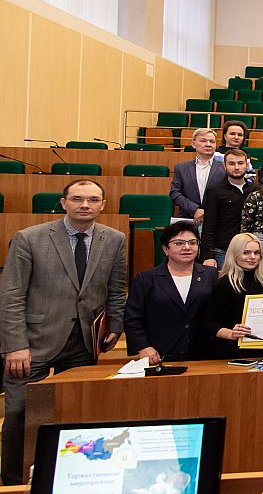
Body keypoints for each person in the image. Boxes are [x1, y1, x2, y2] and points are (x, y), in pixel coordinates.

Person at [0, 179, 127, 485]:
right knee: (19, 414)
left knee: (76, 413)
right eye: (78, 199)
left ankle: (68, 478)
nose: (85, 205)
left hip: (84, 341)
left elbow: (117, 289)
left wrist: (115, 325)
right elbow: (11, 294)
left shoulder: (115, 239)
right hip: (32, 343)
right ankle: (14, 482)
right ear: (64, 203)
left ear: (103, 205)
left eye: (93, 200)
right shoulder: (29, 238)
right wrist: (15, 345)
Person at [124, 222, 217, 363]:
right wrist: (143, 346)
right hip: (160, 354)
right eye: (179, 243)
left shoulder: (211, 275)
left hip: (204, 354)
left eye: (192, 243)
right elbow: (132, 318)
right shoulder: (146, 279)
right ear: (165, 249)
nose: (187, 247)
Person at [203, 233, 263, 359]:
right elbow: (209, 324)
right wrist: (231, 333)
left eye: (256, 253)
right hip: (232, 352)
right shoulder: (225, 283)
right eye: (246, 253)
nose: (252, 257)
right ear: (234, 254)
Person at [201, 149, 256, 267]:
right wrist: (208, 255)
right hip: (223, 251)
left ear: (247, 165)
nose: (236, 167)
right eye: (231, 163)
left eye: (240, 163)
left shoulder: (256, 190)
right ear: (224, 166)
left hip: (251, 251)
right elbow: (209, 225)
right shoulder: (214, 191)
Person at [169, 127, 225, 222]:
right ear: (193, 144)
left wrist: (208, 212)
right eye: (203, 141)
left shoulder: (225, 168)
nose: (208, 144)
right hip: (188, 218)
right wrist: (194, 209)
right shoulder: (181, 168)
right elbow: (175, 193)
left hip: (217, 218)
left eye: (212, 142)